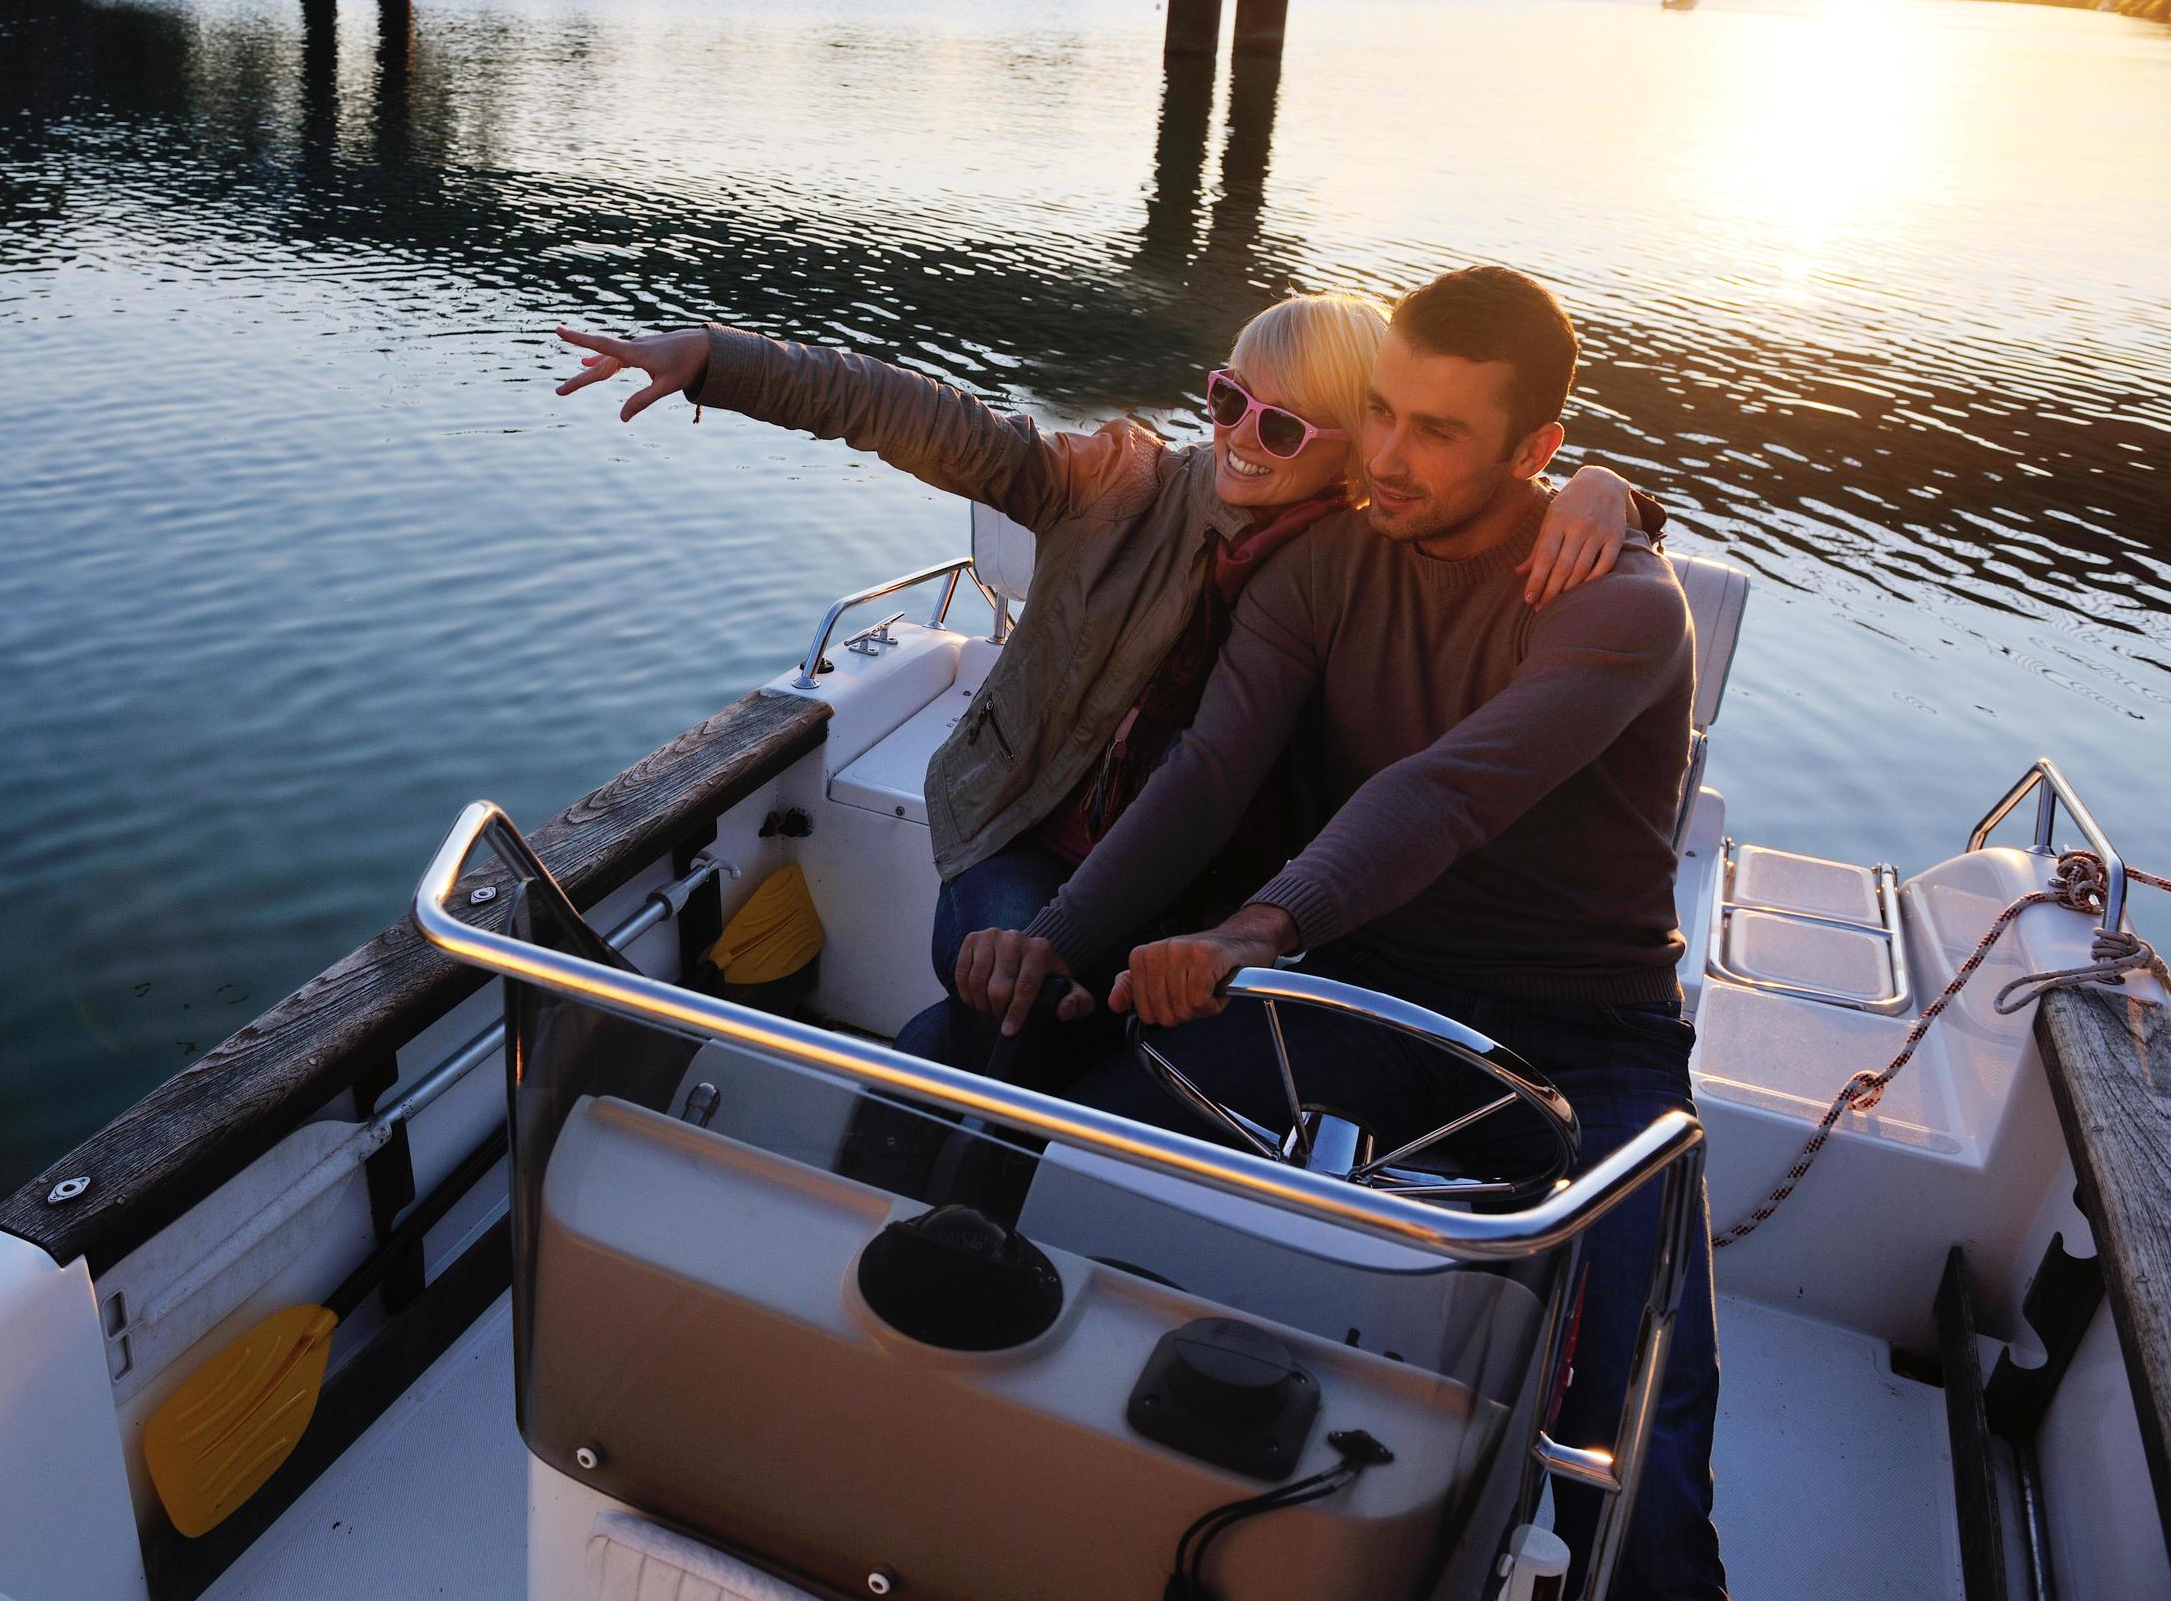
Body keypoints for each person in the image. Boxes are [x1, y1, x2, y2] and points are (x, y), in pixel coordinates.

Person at [998, 265, 1722, 1599]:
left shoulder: (1624, 603)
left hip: (1588, 1029)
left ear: (1539, 454)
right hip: (1365, 975)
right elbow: (1211, 770)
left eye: (1439, 432)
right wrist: (1060, 935)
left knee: (1641, 1396)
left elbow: (1446, 792)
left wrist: (1254, 928)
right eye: (1383, 412)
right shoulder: (1328, 563)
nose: (1387, 457)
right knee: (1086, 1154)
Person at [554, 300, 1654, 1083]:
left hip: (1206, 888)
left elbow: (1496, 503)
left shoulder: (1359, 560)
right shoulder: (1121, 482)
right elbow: (919, 416)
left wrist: (1618, 495)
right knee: (1027, 998)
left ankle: (918, 1207)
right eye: (1227, 399)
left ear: (1356, 451)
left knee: (1072, 1026)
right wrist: (719, 361)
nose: (1234, 439)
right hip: (1028, 834)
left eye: (1279, 425)